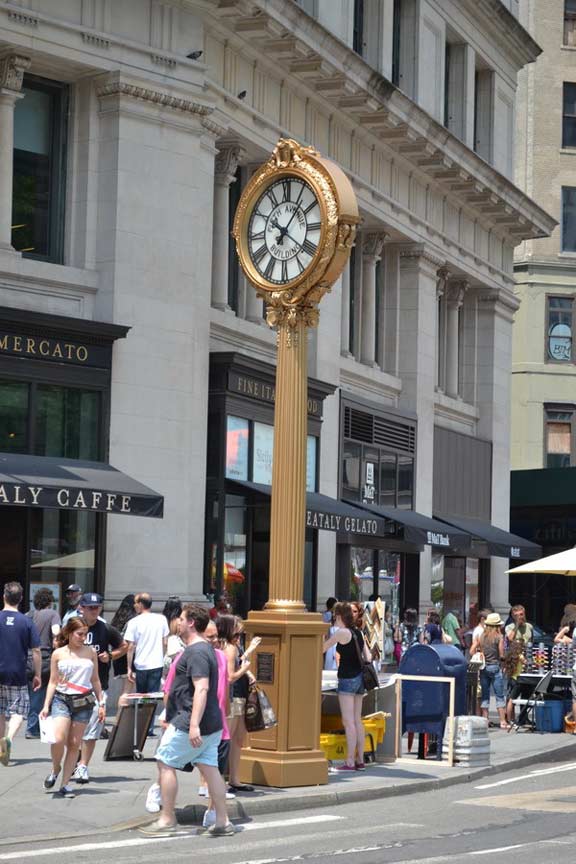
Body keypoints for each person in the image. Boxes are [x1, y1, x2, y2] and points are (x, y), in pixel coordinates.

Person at [139, 604, 233, 838]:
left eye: (181, 619)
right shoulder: (204, 650)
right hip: (211, 722)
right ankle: (223, 821)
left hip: (191, 721)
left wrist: (192, 725)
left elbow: (201, 688)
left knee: (164, 762)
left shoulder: (197, 651)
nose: (178, 622)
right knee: (211, 769)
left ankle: (167, 819)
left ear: (191, 622)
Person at [40, 617, 105, 798]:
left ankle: (66, 784)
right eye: (79, 634)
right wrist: (46, 705)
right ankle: (55, 768)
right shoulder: (58, 653)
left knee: (74, 744)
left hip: (84, 702)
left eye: (85, 634)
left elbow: (95, 680)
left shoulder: (90, 652)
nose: (83, 637)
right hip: (61, 699)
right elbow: (52, 681)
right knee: (58, 739)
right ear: (69, 633)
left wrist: (102, 703)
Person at [71, 593, 127, 784]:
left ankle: (83, 766)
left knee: (91, 729)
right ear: (82, 608)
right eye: (90, 607)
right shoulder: (74, 627)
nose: (94, 611)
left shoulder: (106, 629)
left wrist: (110, 655)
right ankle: (75, 759)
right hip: (74, 686)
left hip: (98, 686)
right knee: (72, 731)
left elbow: (123, 646)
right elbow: (60, 646)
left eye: (97, 607)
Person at [322, 601, 372, 771]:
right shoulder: (357, 632)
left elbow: (322, 648)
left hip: (347, 679)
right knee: (358, 720)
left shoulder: (341, 633)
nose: (333, 619)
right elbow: (369, 658)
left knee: (348, 721)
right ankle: (360, 760)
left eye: (335, 616)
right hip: (360, 679)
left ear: (339, 616)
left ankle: (349, 761)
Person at [217, 614, 261, 793]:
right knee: (229, 738)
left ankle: (233, 778)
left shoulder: (232, 645)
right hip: (234, 696)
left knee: (237, 739)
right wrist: (245, 669)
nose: (241, 628)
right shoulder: (230, 648)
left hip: (239, 695)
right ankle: (223, 780)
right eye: (237, 625)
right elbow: (230, 676)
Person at [0, 581, 41, 766]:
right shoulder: (27, 622)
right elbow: (36, 651)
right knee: (18, 711)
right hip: (17, 672)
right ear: (21, 599)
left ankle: (0, 745)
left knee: (0, 711)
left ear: (4, 597)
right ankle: (8, 738)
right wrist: (37, 674)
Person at [26, 588, 61, 738]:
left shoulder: (28, 615)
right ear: (50, 601)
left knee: (32, 693)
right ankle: (34, 728)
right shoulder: (53, 614)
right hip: (45, 658)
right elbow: (55, 631)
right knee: (43, 693)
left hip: (27, 658)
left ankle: (34, 725)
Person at [470, 612, 508, 730]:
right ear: (497, 626)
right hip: (495, 667)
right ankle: (502, 721)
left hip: (484, 668)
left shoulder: (481, 636)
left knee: (485, 696)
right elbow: (501, 654)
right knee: (499, 696)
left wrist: (480, 655)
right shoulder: (499, 637)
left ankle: (485, 720)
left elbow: (473, 651)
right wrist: (504, 662)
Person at [125, 593, 169, 694]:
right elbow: (165, 643)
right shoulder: (161, 619)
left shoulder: (133, 622)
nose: (134, 605)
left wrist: (129, 668)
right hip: (157, 663)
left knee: (141, 697)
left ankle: (143, 710)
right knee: (152, 697)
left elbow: (130, 647)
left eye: (135, 603)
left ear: (140, 604)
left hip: (141, 664)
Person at [110, 594, 137, 698]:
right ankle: (121, 713)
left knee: (125, 690)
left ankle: (121, 711)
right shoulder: (133, 620)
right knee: (127, 691)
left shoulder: (117, 619)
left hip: (118, 656)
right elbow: (131, 643)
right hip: (129, 656)